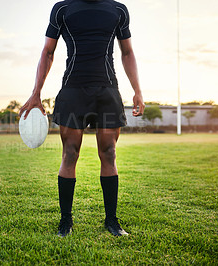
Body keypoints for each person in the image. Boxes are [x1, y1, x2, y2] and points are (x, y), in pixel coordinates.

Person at [19, 0, 144, 237]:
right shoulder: (62, 9)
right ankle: (65, 221)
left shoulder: (117, 9)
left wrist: (137, 90)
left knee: (109, 153)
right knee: (70, 153)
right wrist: (36, 93)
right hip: (73, 90)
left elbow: (127, 52)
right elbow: (48, 51)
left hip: (107, 89)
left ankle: (112, 221)